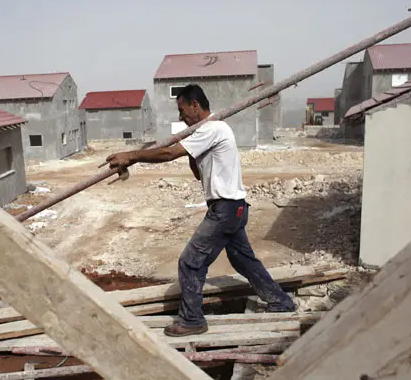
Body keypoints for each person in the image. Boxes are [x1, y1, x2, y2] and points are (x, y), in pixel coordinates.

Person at [106, 84, 295, 337]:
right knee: (243, 260)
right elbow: (197, 174)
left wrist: (132, 156)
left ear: (195, 105)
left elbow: (167, 154)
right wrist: (188, 147)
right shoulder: (205, 132)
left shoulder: (214, 127)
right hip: (234, 208)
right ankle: (280, 302)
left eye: (182, 110)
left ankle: (192, 320)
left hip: (226, 209)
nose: (180, 116)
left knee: (190, 262)